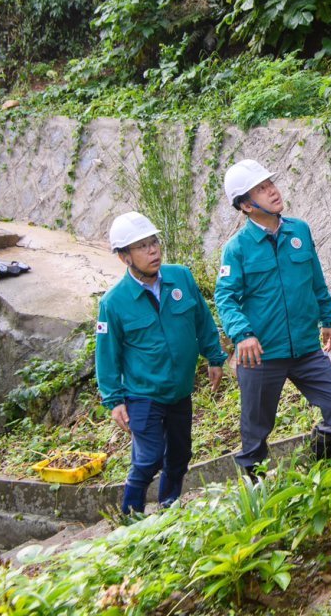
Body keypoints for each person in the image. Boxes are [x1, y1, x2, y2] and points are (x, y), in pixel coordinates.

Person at [215, 159, 331, 476]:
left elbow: (315, 278)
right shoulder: (237, 248)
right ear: (247, 205)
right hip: (261, 354)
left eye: (270, 184)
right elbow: (225, 296)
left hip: (305, 349)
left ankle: (315, 466)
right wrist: (242, 334)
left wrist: (328, 318)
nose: (272, 191)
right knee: (255, 435)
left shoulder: (299, 231)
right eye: (261, 189)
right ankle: (258, 495)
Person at [95, 211, 226, 515]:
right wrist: (114, 400)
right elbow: (107, 354)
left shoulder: (180, 277)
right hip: (143, 394)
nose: (153, 250)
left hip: (179, 390)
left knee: (180, 455)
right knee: (150, 456)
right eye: (142, 247)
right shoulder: (114, 302)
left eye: (154, 242)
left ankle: (169, 506)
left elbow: (201, 319)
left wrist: (214, 356)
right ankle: (131, 515)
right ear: (124, 257)